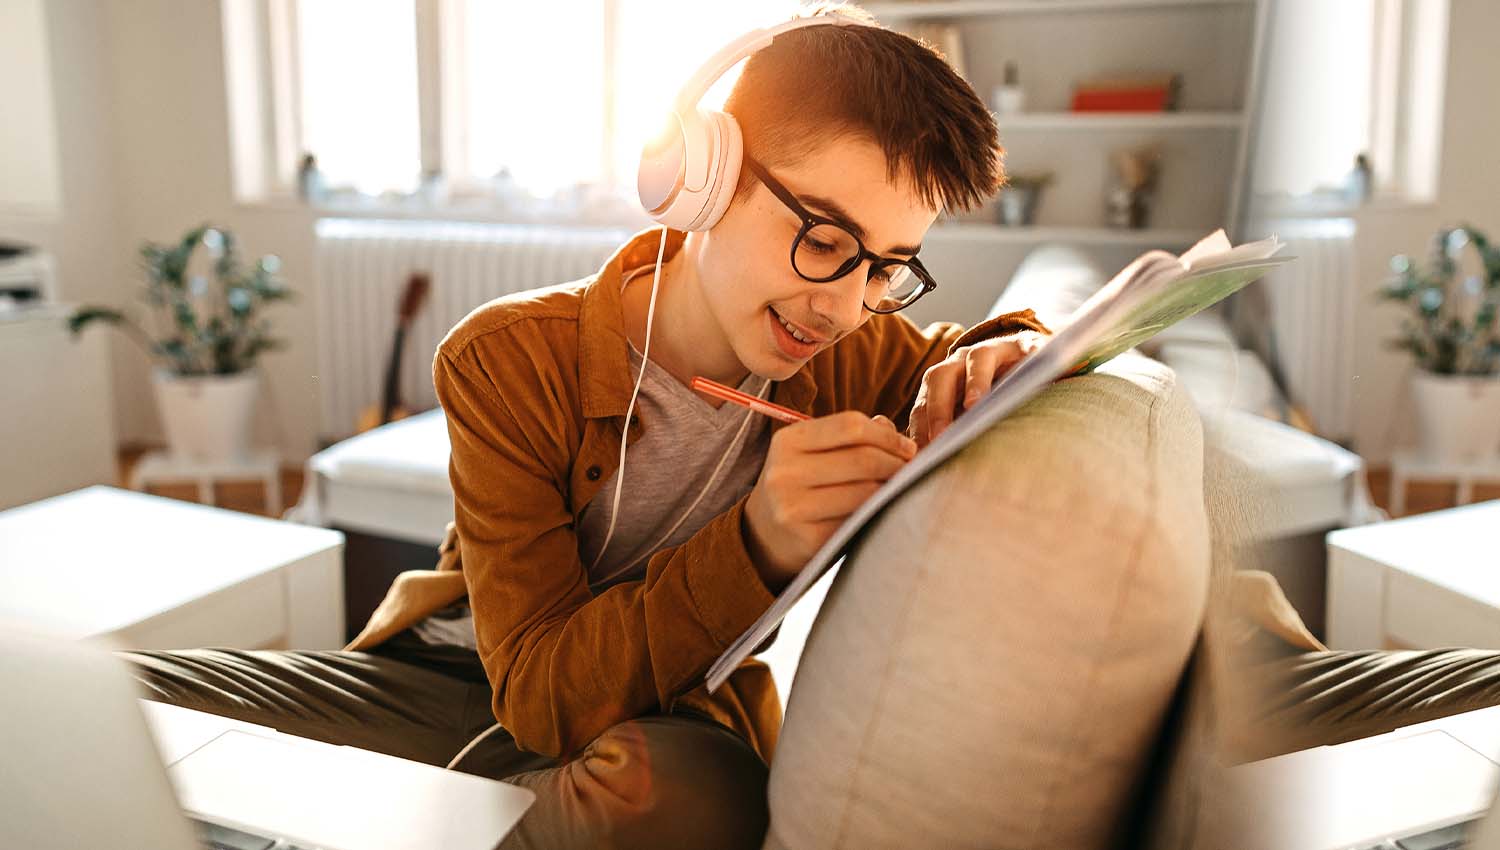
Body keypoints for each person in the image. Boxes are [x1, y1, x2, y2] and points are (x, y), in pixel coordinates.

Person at [125, 6, 1050, 848]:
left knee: (677, 795)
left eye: (888, 267)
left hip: (667, 719)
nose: (847, 306)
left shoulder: (852, 356)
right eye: (824, 240)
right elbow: (531, 693)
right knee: (102, 707)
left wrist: (1005, 349)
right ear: (706, 180)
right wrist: (757, 542)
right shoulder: (506, 359)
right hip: (460, 676)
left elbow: (987, 339)